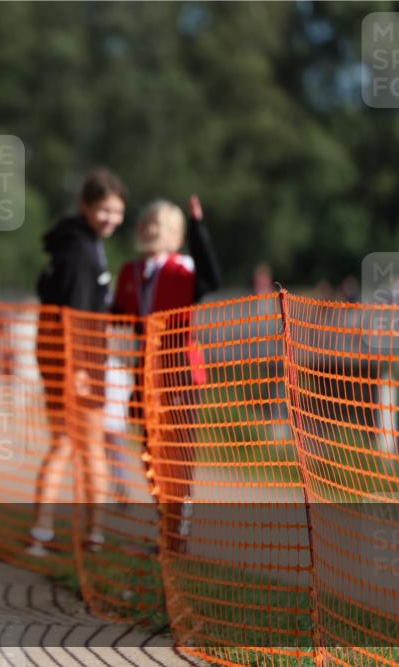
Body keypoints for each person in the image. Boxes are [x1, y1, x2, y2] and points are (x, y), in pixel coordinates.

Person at [112, 195, 222, 554]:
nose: (147, 230)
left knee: (177, 448)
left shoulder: (182, 269)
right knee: (150, 447)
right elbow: (114, 313)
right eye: (144, 223)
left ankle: (179, 525)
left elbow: (212, 279)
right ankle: (164, 520)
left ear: (175, 235)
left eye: (156, 224)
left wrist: (200, 230)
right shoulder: (130, 273)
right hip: (145, 371)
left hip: (180, 370)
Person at [31, 167, 127, 555]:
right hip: (79, 360)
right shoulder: (82, 250)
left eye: (117, 212)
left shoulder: (73, 242)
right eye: (104, 210)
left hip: (60, 356)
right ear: (85, 207)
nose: (111, 219)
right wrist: (84, 369)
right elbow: (78, 314)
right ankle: (91, 533)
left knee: (65, 444)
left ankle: (45, 529)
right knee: (85, 447)